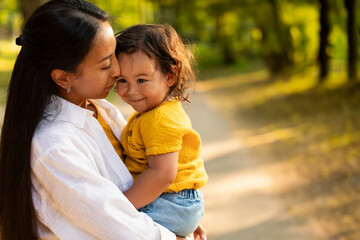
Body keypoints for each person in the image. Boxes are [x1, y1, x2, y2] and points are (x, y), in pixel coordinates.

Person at [0, 1, 205, 239]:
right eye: (106, 63)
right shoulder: (54, 147)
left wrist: (181, 216)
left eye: (114, 55)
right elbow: (116, 226)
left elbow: (149, 172)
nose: (118, 70)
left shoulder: (101, 109)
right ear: (63, 77)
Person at [115, 24, 208, 238]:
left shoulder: (160, 119)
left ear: (170, 76)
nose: (130, 90)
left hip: (172, 201)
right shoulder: (149, 113)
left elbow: (162, 174)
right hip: (174, 201)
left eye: (141, 80)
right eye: (122, 80)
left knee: (108, 224)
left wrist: (122, 205)